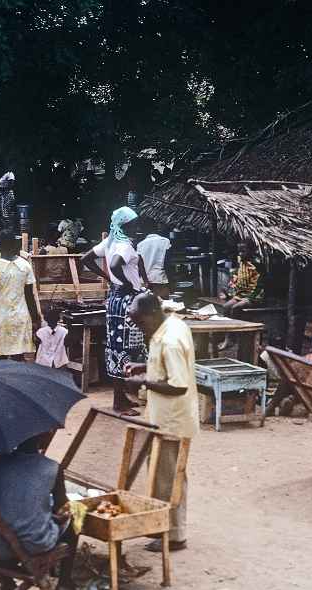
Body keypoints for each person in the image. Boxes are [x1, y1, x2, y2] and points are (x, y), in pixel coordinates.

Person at [123, 293, 198, 552]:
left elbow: (178, 384)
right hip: (162, 416)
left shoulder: (170, 339)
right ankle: (167, 529)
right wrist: (142, 366)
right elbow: (165, 368)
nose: (139, 328)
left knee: (168, 478)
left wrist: (142, 381)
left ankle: (174, 535)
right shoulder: (168, 325)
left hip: (172, 420)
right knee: (163, 475)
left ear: (153, 314)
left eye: (140, 322)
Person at [0, 432, 79, 590]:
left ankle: (6, 583)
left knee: (8, 519)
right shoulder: (52, 467)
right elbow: (60, 507)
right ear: (43, 438)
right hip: (33, 544)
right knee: (74, 520)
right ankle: (65, 584)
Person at [81, 206, 149, 413]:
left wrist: (109, 278)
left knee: (117, 348)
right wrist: (125, 282)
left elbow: (85, 259)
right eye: (132, 224)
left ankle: (121, 397)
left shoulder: (110, 242)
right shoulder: (124, 246)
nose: (136, 227)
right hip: (128, 301)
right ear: (123, 225)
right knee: (128, 348)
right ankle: (119, 402)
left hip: (114, 300)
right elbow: (117, 263)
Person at [0, 233, 39, 361]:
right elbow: (30, 296)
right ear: (15, 245)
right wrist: (35, 318)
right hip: (20, 316)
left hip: (0, 318)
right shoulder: (25, 266)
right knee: (18, 356)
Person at [219, 240, 262, 317]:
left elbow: (259, 285)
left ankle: (237, 325)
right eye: (239, 251)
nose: (240, 254)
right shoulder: (241, 262)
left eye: (243, 251)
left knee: (236, 308)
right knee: (225, 307)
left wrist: (250, 297)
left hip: (253, 297)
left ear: (251, 251)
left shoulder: (256, 264)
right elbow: (236, 276)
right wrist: (230, 291)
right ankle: (227, 324)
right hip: (240, 295)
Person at [136, 228, 172, 298]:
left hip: (145, 280)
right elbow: (167, 263)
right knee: (164, 306)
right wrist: (171, 280)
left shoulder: (140, 244)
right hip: (160, 279)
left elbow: (139, 265)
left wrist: (145, 281)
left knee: (148, 306)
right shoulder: (165, 241)